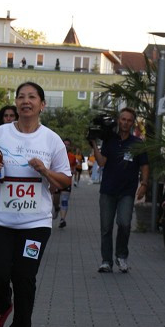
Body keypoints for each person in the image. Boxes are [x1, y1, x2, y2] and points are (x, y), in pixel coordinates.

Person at [0, 81, 71, 327]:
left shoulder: (51, 140)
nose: (26, 101)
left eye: (32, 97)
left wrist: (44, 171)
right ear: (16, 103)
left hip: (35, 223)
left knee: (24, 275)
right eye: (21, 97)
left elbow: (65, 181)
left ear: (42, 105)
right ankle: (2, 304)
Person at [91, 107, 149, 273]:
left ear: (132, 123)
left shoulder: (137, 144)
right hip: (108, 190)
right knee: (106, 227)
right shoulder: (110, 141)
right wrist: (94, 144)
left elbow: (144, 165)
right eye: (123, 119)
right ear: (118, 120)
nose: (125, 122)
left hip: (127, 192)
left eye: (129, 120)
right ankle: (106, 261)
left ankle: (121, 256)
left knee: (124, 223)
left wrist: (144, 184)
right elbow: (101, 162)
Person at [55, 138, 78, 229]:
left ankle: (62, 219)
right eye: (64, 144)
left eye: (68, 144)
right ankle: (56, 207)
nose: (66, 146)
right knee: (55, 200)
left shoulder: (72, 156)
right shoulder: (56, 154)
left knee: (64, 200)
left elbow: (74, 168)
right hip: (56, 181)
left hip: (66, 181)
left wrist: (72, 171)